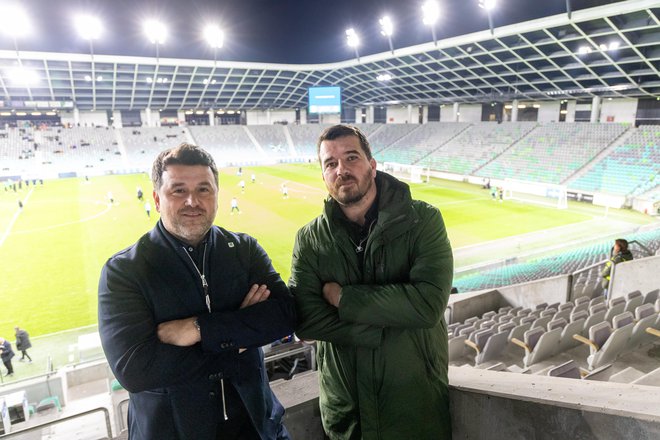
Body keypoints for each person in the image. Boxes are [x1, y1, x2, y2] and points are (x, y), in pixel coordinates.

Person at [98, 143, 296, 439]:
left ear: (217, 195)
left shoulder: (244, 250)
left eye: (204, 190)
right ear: (156, 198)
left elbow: (285, 314)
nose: (193, 201)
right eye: (178, 190)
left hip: (258, 427)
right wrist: (238, 338)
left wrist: (199, 329)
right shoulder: (125, 271)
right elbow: (135, 370)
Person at [289, 125, 453, 439]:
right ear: (323, 174)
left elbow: (428, 305)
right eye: (330, 163)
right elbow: (307, 320)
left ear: (372, 165)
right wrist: (387, 325)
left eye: (351, 158)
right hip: (347, 415)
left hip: (415, 409)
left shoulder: (424, 221)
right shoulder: (310, 239)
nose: (341, 169)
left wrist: (343, 300)